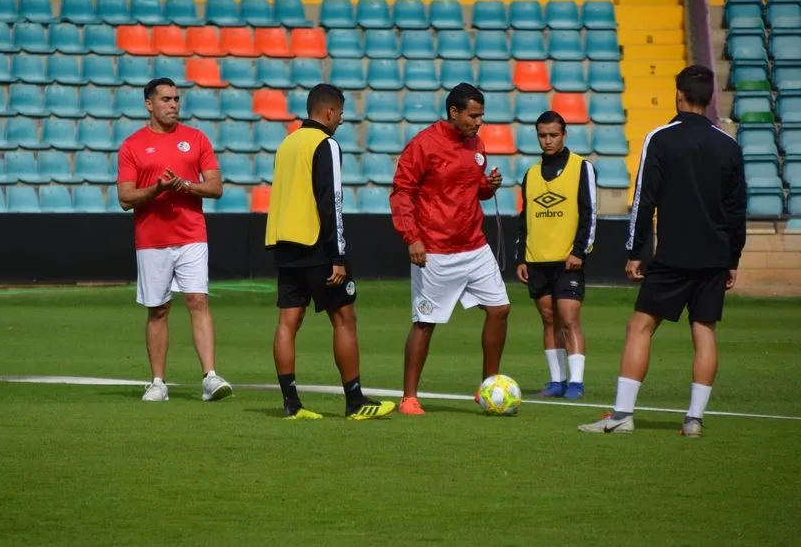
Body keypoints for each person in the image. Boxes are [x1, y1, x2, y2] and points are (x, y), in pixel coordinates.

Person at [579, 65, 747, 437]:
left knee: (640, 327)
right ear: (710, 99)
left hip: (673, 254)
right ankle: (694, 420)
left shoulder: (660, 138)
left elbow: (644, 199)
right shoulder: (729, 146)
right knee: (704, 331)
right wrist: (733, 258)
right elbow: (737, 210)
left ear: (678, 95)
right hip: (715, 256)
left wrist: (634, 251)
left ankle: (622, 416)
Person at [265, 83, 395, 422]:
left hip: (285, 243)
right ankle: (355, 401)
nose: (340, 120)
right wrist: (337, 255)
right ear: (329, 112)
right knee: (345, 319)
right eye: (340, 114)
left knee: (288, 322)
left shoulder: (287, 143)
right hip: (317, 245)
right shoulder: (326, 144)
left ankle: (291, 404)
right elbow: (331, 201)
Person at [390, 83, 510, 416]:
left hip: (474, 245)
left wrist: (487, 186)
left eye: (481, 115)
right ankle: (409, 397)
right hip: (435, 250)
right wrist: (412, 237)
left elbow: (471, 188)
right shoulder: (423, 145)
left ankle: (489, 389)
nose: (479, 122)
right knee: (425, 321)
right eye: (473, 115)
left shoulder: (476, 143)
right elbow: (402, 192)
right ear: (454, 112)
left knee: (500, 309)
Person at [117, 77, 233, 403]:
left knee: (198, 300)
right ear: (149, 104)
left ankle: (210, 377)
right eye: (165, 99)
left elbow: (216, 187)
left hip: (191, 234)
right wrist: (157, 188)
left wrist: (185, 186)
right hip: (151, 239)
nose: (173, 105)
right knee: (158, 310)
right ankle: (158, 383)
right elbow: (125, 198)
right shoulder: (132, 145)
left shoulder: (196, 139)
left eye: (176, 99)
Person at [514, 110, 597, 401]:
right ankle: (556, 381)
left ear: (564, 135)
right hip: (537, 259)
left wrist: (579, 252)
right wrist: (521, 257)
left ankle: (576, 382)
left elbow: (589, 214)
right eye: (542, 135)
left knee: (569, 318)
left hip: (567, 260)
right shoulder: (531, 174)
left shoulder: (581, 167)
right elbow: (524, 219)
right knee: (548, 319)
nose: (547, 140)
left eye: (553, 135)